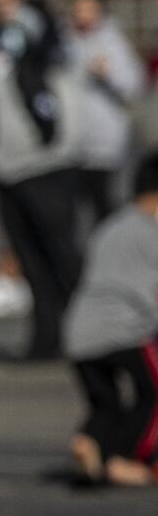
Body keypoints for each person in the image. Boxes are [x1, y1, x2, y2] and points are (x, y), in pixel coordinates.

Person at [0, 0, 86, 362]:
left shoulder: (51, 65)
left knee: (65, 259)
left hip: (47, 171)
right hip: (8, 174)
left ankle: (88, 335)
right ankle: (46, 338)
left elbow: (62, 122)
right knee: (32, 264)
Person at [64, 151, 158, 486]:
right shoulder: (151, 231)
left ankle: (88, 442)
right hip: (123, 329)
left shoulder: (110, 227)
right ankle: (126, 459)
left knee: (106, 405)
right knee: (154, 391)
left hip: (78, 331)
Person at [64, 0, 146, 229]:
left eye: (88, 9)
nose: (83, 16)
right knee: (77, 217)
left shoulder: (112, 41)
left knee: (107, 209)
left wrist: (108, 74)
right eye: (78, 9)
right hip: (74, 146)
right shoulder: (65, 43)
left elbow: (135, 85)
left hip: (106, 146)